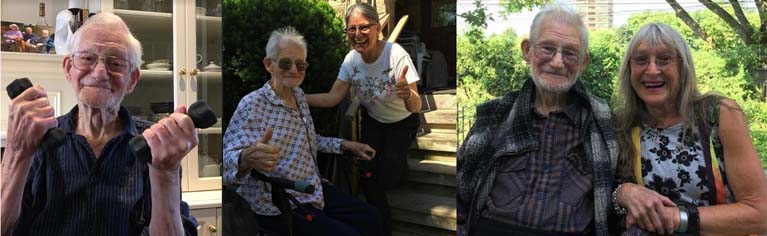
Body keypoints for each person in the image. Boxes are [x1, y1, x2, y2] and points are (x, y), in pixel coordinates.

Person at [1, 13, 198, 235]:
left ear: (132, 79)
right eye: (86, 58)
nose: (100, 72)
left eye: (116, 63)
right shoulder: (36, 138)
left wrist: (166, 173)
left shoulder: (156, 145)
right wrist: (16, 151)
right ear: (68, 68)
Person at [456, 5, 618, 236]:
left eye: (570, 53)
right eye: (548, 48)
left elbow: (617, 191)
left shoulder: (602, 123)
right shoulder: (494, 116)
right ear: (527, 50)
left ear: (583, 61)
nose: (558, 62)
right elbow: (460, 195)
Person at [223, 26, 383, 236]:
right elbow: (227, 161)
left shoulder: (299, 96)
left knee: (371, 218)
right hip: (281, 201)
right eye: (286, 63)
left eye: (300, 65)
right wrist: (245, 158)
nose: (294, 70)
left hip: (313, 188)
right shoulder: (252, 105)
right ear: (268, 64)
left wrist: (343, 144)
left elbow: (307, 140)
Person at [612, 23, 767, 236]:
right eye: (640, 60)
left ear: (683, 67)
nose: (652, 69)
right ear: (629, 69)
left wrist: (677, 217)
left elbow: (759, 214)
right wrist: (623, 193)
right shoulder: (624, 125)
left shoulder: (719, 114)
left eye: (664, 59)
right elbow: (606, 193)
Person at [305, 3, 422, 235]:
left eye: (364, 27)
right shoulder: (351, 60)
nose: (357, 35)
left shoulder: (396, 54)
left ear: (378, 28)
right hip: (374, 120)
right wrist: (297, 96)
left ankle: (400, 170)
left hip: (402, 121)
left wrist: (408, 94)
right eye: (351, 29)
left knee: (387, 176)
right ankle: (383, 229)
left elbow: (416, 106)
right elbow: (332, 97)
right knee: (369, 176)